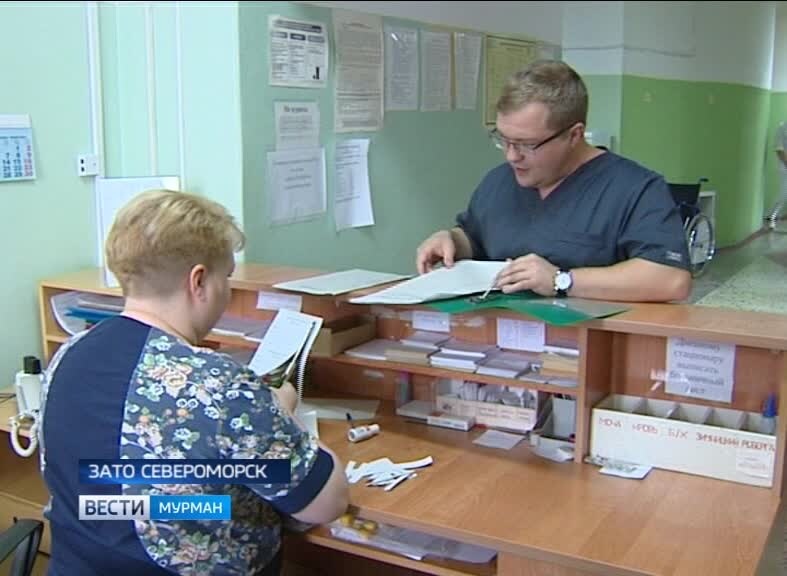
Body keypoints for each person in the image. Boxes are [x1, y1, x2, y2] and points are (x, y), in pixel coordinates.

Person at [39, 190, 349, 575]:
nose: (229, 290)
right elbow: (327, 502)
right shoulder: (217, 384)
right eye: (227, 277)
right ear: (198, 280)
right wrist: (282, 417)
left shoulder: (69, 353)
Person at [415, 60, 692, 303]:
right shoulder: (498, 181)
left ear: (574, 135)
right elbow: (475, 237)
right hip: (496, 337)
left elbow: (670, 279)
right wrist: (451, 240)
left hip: (588, 341)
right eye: (504, 139)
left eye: (527, 144)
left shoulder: (635, 189)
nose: (512, 156)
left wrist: (562, 281)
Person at [768, 120, 787, 229]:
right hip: (785, 167)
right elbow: (779, 149)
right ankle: (772, 216)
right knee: (783, 194)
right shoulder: (782, 127)